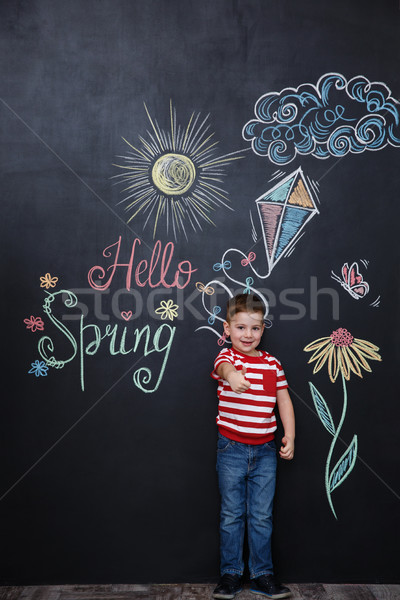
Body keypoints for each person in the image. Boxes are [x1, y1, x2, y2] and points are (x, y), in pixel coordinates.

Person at [211, 294, 295, 599]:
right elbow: (222, 369)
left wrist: (291, 435)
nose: (248, 335)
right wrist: (232, 376)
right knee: (232, 514)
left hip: (264, 452)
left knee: (261, 516)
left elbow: (283, 400)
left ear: (263, 329)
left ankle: (262, 575)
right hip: (231, 449)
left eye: (255, 329)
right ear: (228, 329)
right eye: (241, 328)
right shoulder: (228, 359)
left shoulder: (273, 363)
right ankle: (230, 575)